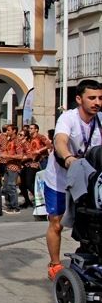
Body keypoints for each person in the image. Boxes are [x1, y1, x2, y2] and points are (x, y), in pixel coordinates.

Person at [44, 79, 102, 280]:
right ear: (79, 99)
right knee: (56, 222)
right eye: (92, 98)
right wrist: (68, 157)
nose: (97, 102)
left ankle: (88, 252)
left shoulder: (99, 120)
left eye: (100, 98)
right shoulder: (68, 118)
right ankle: (55, 264)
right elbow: (60, 140)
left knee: (91, 218)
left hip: (87, 178)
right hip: (59, 177)